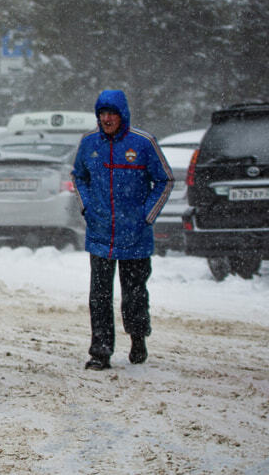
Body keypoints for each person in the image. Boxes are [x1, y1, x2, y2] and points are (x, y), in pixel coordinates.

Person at [71, 89, 173, 370]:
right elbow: (78, 176)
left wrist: (146, 216)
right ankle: (100, 352)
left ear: (122, 115)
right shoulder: (89, 143)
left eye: (111, 114)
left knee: (134, 294)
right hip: (100, 234)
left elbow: (164, 180)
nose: (106, 119)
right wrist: (87, 208)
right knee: (99, 297)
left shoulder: (143, 143)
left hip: (135, 237)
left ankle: (138, 338)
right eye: (102, 114)